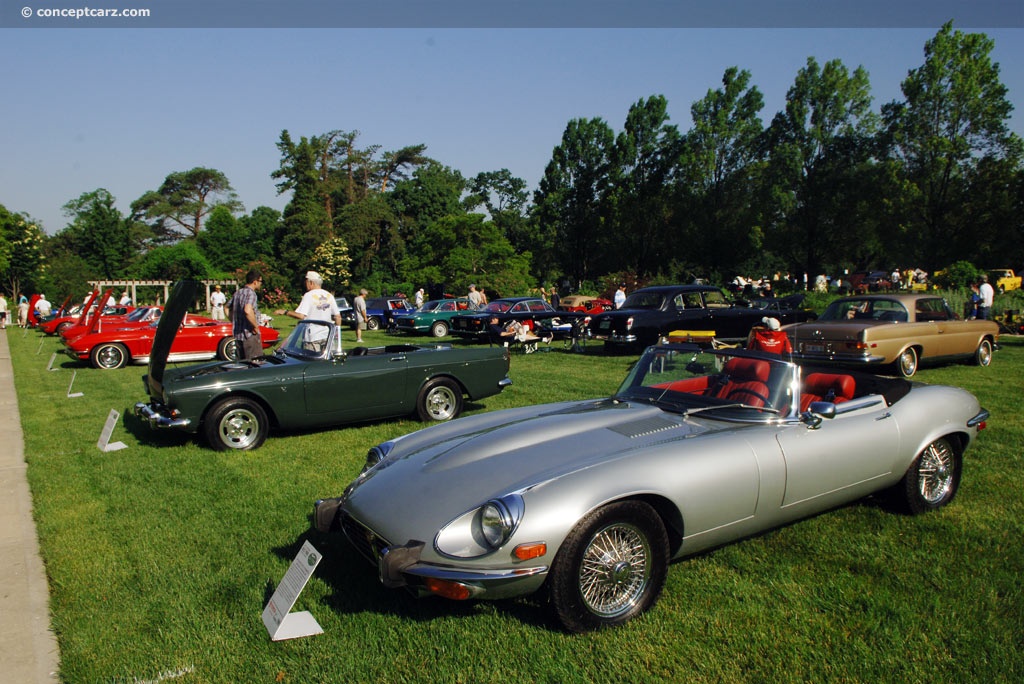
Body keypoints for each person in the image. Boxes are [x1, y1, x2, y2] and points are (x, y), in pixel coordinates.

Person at [231, 269, 264, 361]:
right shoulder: (251, 294)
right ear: (255, 282)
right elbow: (248, 310)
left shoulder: (238, 293)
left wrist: (233, 320)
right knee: (255, 365)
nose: (261, 284)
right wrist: (255, 326)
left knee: (241, 366)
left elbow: (226, 308)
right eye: (260, 281)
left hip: (238, 336)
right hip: (249, 335)